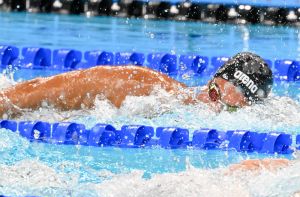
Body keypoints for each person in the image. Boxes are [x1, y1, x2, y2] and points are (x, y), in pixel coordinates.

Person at [0, 52, 273, 118]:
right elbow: (70, 85)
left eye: (231, 109)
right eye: (214, 95)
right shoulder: (148, 88)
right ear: (211, 82)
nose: (214, 104)